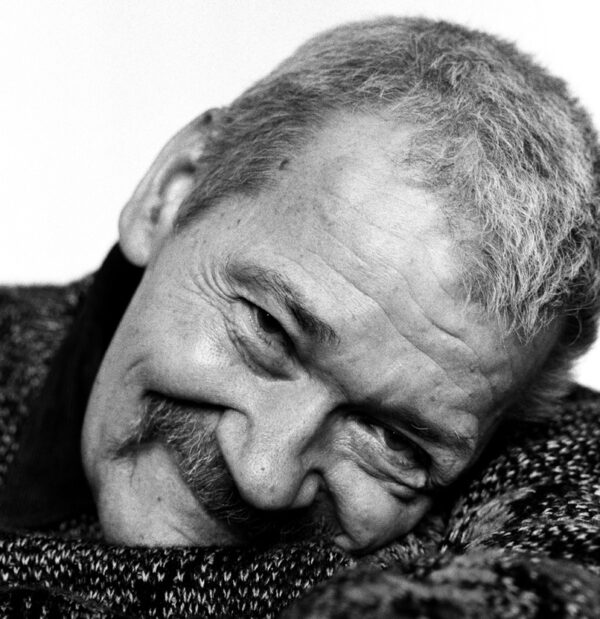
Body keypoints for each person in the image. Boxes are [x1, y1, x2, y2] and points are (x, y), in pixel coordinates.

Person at [0, 15, 599, 618]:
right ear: (171, 193)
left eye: (393, 441)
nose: (263, 476)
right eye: (268, 330)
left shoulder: (565, 470)